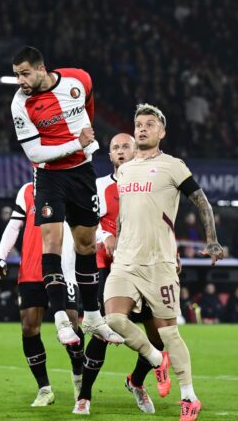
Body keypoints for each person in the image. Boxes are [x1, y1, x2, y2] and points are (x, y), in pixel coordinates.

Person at [103, 104, 224, 421]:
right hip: (126, 261)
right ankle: (156, 359)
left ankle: (189, 397)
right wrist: (117, 237)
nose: (142, 129)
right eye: (138, 124)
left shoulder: (173, 166)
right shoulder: (124, 170)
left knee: (170, 332)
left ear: (162, 132)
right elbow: (126, 215)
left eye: (149, 124)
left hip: (160, 264)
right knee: (113, 320)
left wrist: (211, 240)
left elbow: (202, 202)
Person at [9, 46, 120, 345]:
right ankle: (60, 318)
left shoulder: (78, 80)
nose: (20, 80)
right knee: (52, 242)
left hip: (82, 173)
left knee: (85, 244)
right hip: (48, 175)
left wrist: (85, 139)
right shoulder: (20, 104)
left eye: (25, 73)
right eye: (16, 75)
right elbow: (35, 152)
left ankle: (94, 318)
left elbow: (88, 107)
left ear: (41, 68)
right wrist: (77, 143)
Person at [74, 132, 164, 415]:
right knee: (103, 332)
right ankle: (84, 396)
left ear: (136, 150)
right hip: (108, 268)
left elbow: (161, 223)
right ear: (110, 156)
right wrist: (104, 236)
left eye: (126, 146)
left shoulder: (148, 185)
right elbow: (86, 222)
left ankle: (136, 382)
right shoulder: (99, 186)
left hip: (144, 267)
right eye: (116, 148)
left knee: (159, 337)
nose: (121, 151)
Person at [0, 180, 85, 407]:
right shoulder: (26, 190)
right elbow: (14, 226)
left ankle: (79, 380)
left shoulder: (71, 185)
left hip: (63, 268)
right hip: (32, 269)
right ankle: (44, 389)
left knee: (71, 328)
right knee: (28, 327)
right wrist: (1, 257)